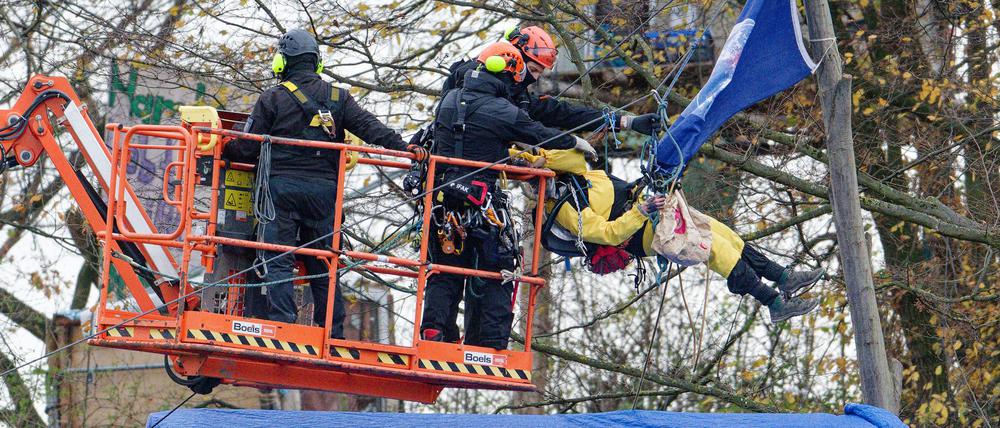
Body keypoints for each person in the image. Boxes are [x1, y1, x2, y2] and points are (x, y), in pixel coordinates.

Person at [225, 29, 427, 337]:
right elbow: (370, 127)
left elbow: (248, 147)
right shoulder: (339, 98)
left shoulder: (273, 98)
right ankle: (332, 330)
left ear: (282, 63)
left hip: (282, 192)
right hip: (324, 195)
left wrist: (225, 149)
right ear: (317, 63)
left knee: (277, 257)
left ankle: (283, 324)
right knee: (324, 261)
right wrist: (405, 148)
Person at [419, 41, 598, 349]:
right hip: (482, 201)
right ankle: (490, 344)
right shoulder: (502, 110)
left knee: (444, 270)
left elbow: (472, 140)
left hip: (443, 200)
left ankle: (435, 333)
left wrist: (508, 159)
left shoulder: (448, 100)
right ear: (509, 74)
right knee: (498, 270)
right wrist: (575, 142)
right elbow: (539, 133)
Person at [519, 147, 823, 323]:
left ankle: (782, 276)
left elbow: (570, 158)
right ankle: (773, 303)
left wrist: (537, 158)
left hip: (649, 210)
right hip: (639, 232)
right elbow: (607, 234)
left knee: (723, 234)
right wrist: (641, 210)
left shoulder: (578, 177)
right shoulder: (564, 207)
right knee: (712, 247)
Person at [441, 26, 661, 138]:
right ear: (514, 58)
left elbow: (564, 112)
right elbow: (527, 128)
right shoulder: (467, 84)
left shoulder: (516, 96)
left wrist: (624, 121)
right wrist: (571, 142)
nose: (535, 78)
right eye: (534, 69)